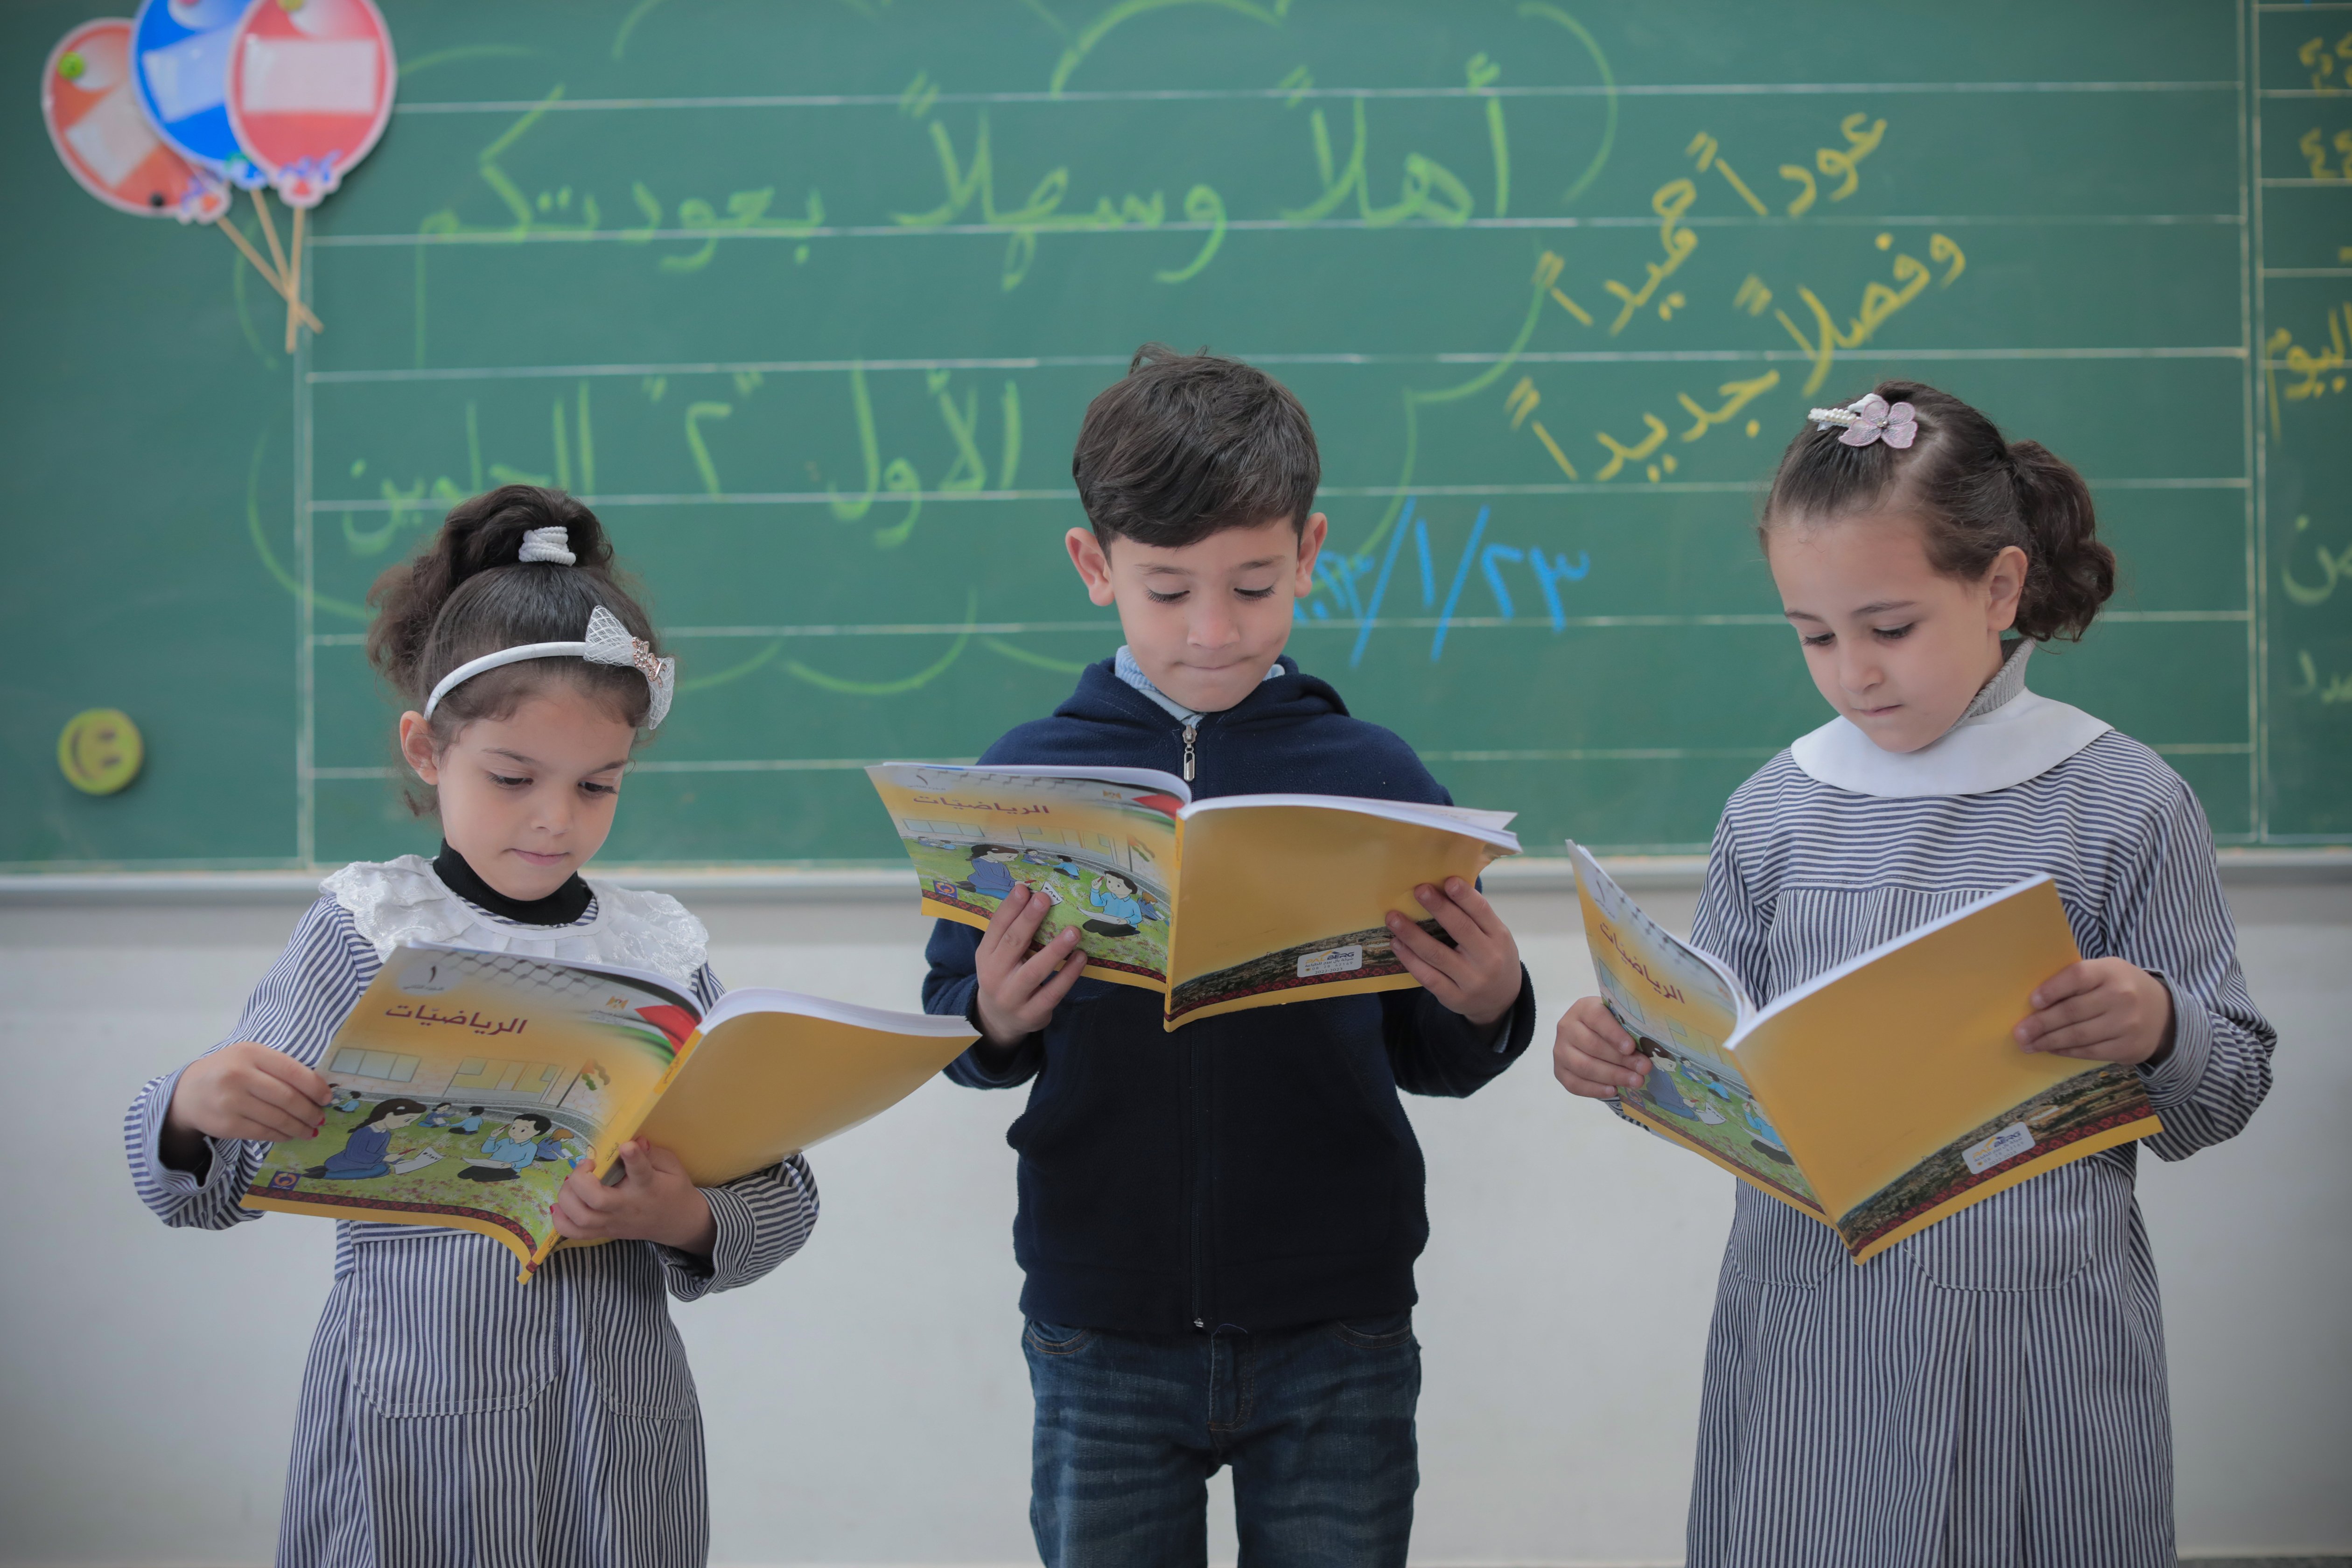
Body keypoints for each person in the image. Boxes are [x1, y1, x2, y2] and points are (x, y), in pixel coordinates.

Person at [1550, 383, 2275, 1567]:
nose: (1854, 675)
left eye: (1890, 629)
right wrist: (1624, 1057)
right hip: (1813, 1344)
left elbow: (2230, 1084)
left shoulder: (2123, 803)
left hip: (2039, 1347)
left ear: (1997, 588)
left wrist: (2154, 1023)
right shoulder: (1776, 813)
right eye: (1815, 637)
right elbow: (1723, 1063)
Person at [122, 485, 820, 1568]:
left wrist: (678, 1213)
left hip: (614, 1438)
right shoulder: (365, 927)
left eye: (599, 786)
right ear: (426, 749)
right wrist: (189, 1106)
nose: (556, 817)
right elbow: (201, 1188)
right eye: (512, 778)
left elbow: (779, 1197)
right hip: (413, 1426)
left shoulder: (659, 952)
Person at [924, 345, 1537, 1567]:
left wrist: (1492, 1003)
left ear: (1310, 554)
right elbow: (960, 1030)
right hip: (1103, 1317)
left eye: (1255, 588)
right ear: (1095, 568)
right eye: (1168, 592)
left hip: (1338, 1323)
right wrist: (992, 1013)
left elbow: (1438, 1049)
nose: (1213, 631)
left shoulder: (1376, 781)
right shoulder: (1029, 783)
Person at [304, 1097, 427, 1180]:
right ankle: (326, 1175)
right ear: (389, 1114)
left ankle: (327, 1173)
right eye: (407, 1120)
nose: (407, 1124)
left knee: (384, 1170)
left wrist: (397, 1161)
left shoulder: (386, 1134)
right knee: (381, 1169)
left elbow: (380, 1152)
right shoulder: (365, 1132)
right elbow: (354, 1154)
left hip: (363, 1161)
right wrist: (384, 1159)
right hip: (344, 1161)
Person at [457, 1112, 553, 1183]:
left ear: (537, 1132)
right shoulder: (505, 1141)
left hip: (509, 1168)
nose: (515, 1132)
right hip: (491, 1164)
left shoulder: (532, 1147)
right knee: (463, 1175)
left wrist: (511, 1165)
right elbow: (485, 1150)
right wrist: (492, 1137)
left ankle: (510, 1177)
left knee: (478, 1178)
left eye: (523, 1130)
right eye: (514, 1128)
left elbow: (527, 1161)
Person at [1079, 868, 1160, 937]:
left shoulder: (1133, 904)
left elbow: (1138, 918)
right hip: (1107, 919)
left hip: (1126, 924)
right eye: (1110, 881)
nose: (1112, 887)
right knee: (1088, 926)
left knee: (1103, 932)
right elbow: (1097, 903)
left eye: (1118, 886)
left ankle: (1131, 933)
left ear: (1130, 890)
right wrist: (1095, 889)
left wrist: (1126, 921)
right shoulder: (1108, 896)